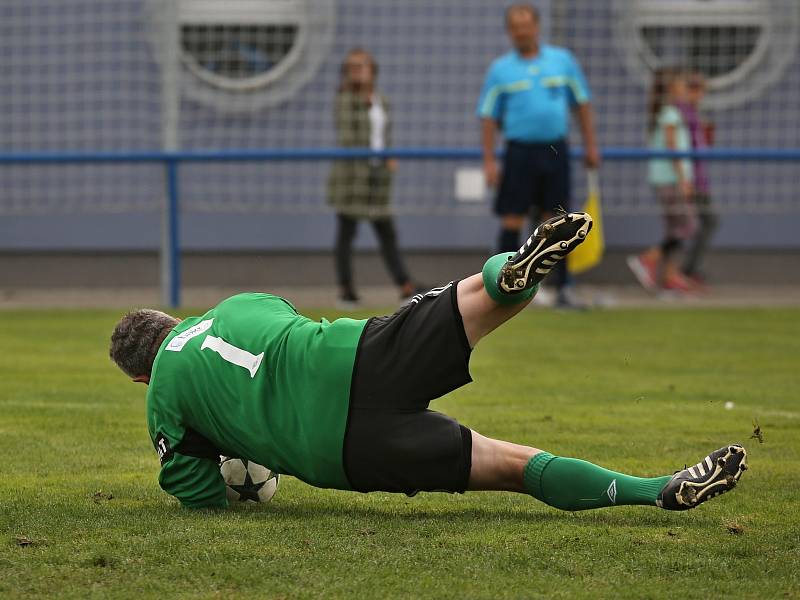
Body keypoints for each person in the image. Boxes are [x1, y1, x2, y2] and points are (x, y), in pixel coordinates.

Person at [109, 211, 747, 512]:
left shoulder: (163, 391)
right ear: (175, 318)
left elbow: (192, 490)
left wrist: (231, 463)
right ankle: (511, 270)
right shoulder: (237, 302)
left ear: (142, 375)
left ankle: (652, 493)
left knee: (509, 465)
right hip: (345, 357)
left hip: (339, 451)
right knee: (476, 299)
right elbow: (278, 319)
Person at [477, 3, 600, 309]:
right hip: (519, 152)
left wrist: (590, 146)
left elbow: (581, 104)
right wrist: (490, 160)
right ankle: (503, 288)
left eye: (526, 24)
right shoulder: (500, 70)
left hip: (555, 150)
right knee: (512, 218)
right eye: (515, 26)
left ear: (536, 26)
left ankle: (561, 290)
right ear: (509, 32)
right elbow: (488, 116)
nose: (521, 31)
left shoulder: (562, 61)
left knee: (556, 222)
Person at [327, 48, 419, 309]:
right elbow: (348, 136)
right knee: (346, 233)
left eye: (362, 65)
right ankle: (346, 291)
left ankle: (405, 286)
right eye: (352, 66)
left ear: (372, 69)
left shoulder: (382, 100)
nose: (357, 70)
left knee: (386, 231)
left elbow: (383, 134)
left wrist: (388, 156)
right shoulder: (344, 99)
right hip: (352, 176)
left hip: (378, 177)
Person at [627, 68, 698, 294]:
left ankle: (669, 276)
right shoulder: (670, 114)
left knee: (675, 228)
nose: (686, 90)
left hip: (667, 180)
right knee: (687, 226)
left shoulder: (665, 113)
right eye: (683, 86)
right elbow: (672, 147)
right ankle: (649, 258)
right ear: (672, 89)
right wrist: (682, 179)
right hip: (669, 180)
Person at [678, 72, 718, 286]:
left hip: (699, 179)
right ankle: (685, 270)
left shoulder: (693, 114)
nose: (700, 95)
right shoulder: (683, 113)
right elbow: (682, 148)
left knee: (695, 224)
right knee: (699, 223)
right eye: (697, 89)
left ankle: (687, 271)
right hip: (692, 181)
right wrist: (686, 180)